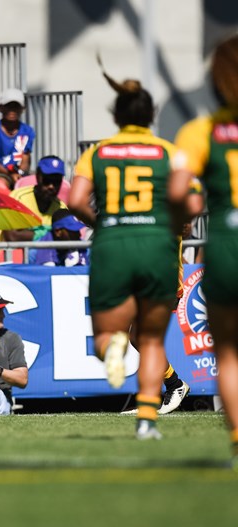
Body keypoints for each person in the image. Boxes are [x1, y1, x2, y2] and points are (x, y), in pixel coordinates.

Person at [68, 69, 187, 440]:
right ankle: (147, 424)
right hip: (156, 250)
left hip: (113, 247)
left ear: (116, 117)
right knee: (150, 339)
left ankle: (112, 347)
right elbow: (189, 203)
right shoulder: (168, 152)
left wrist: (103, 223)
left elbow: (74, 201)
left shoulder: (98, 152)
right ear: (151, 117)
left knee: (110, 336)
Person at [169, 34, 238, 461]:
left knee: (229, 352)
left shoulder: (201, 131)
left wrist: (187, 212)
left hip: (228, 242)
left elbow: (177, 191)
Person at [2, 155, 67, 242]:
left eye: (56, 181)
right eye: (47, 180)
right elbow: (12, 236)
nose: (51, 186)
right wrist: (49, 235)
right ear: (37, 176)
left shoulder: (61, 208)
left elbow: (67, 237)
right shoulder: (18, 198)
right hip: (9, 254)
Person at [0, 88, 35, 188]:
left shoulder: (27, 131)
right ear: (0, 108)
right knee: (2, 183)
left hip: (18, 171)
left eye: (16, 106)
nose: (12, 110)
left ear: (22, 109)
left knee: (35, 182)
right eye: (8, 106)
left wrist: (21, 173)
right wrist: (10, 174)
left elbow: (26, 156)